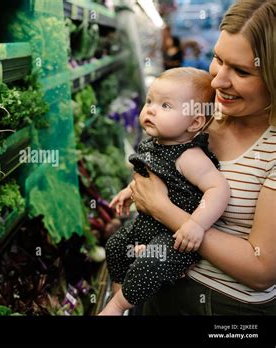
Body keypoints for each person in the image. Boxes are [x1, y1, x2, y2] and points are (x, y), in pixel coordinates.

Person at [126, 0, 276, 315]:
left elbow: (262, 270)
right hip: (157, 283)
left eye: (241, 71)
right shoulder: (199, 116)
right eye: (218, 59)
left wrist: (163, 209)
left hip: (225, 308)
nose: (219, 81)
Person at [99, 67, 231, 315]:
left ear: (195, 122)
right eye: (150, 101)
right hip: (149, 225)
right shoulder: (154, 142)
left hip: (174, 238)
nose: (150, 109)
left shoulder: (190, 156)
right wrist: (130, 190)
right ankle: (121, 293)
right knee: (116, 245)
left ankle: (117, 306)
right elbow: (150, 174)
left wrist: (197, 224)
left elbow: (219, 188)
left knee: (152, 262)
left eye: (165, 106)